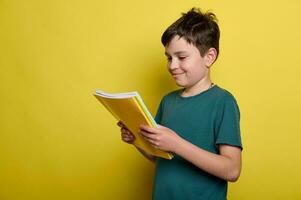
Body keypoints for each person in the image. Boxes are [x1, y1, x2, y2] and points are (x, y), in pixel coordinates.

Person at [118, 7, 242, 200]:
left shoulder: (223, 101)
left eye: (181, 57)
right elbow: (159, 157)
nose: (172, 65)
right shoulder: (168, 101)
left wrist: (177, 144)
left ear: (209, 57)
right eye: (169, 57)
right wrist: (136, 140)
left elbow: (232, 170)